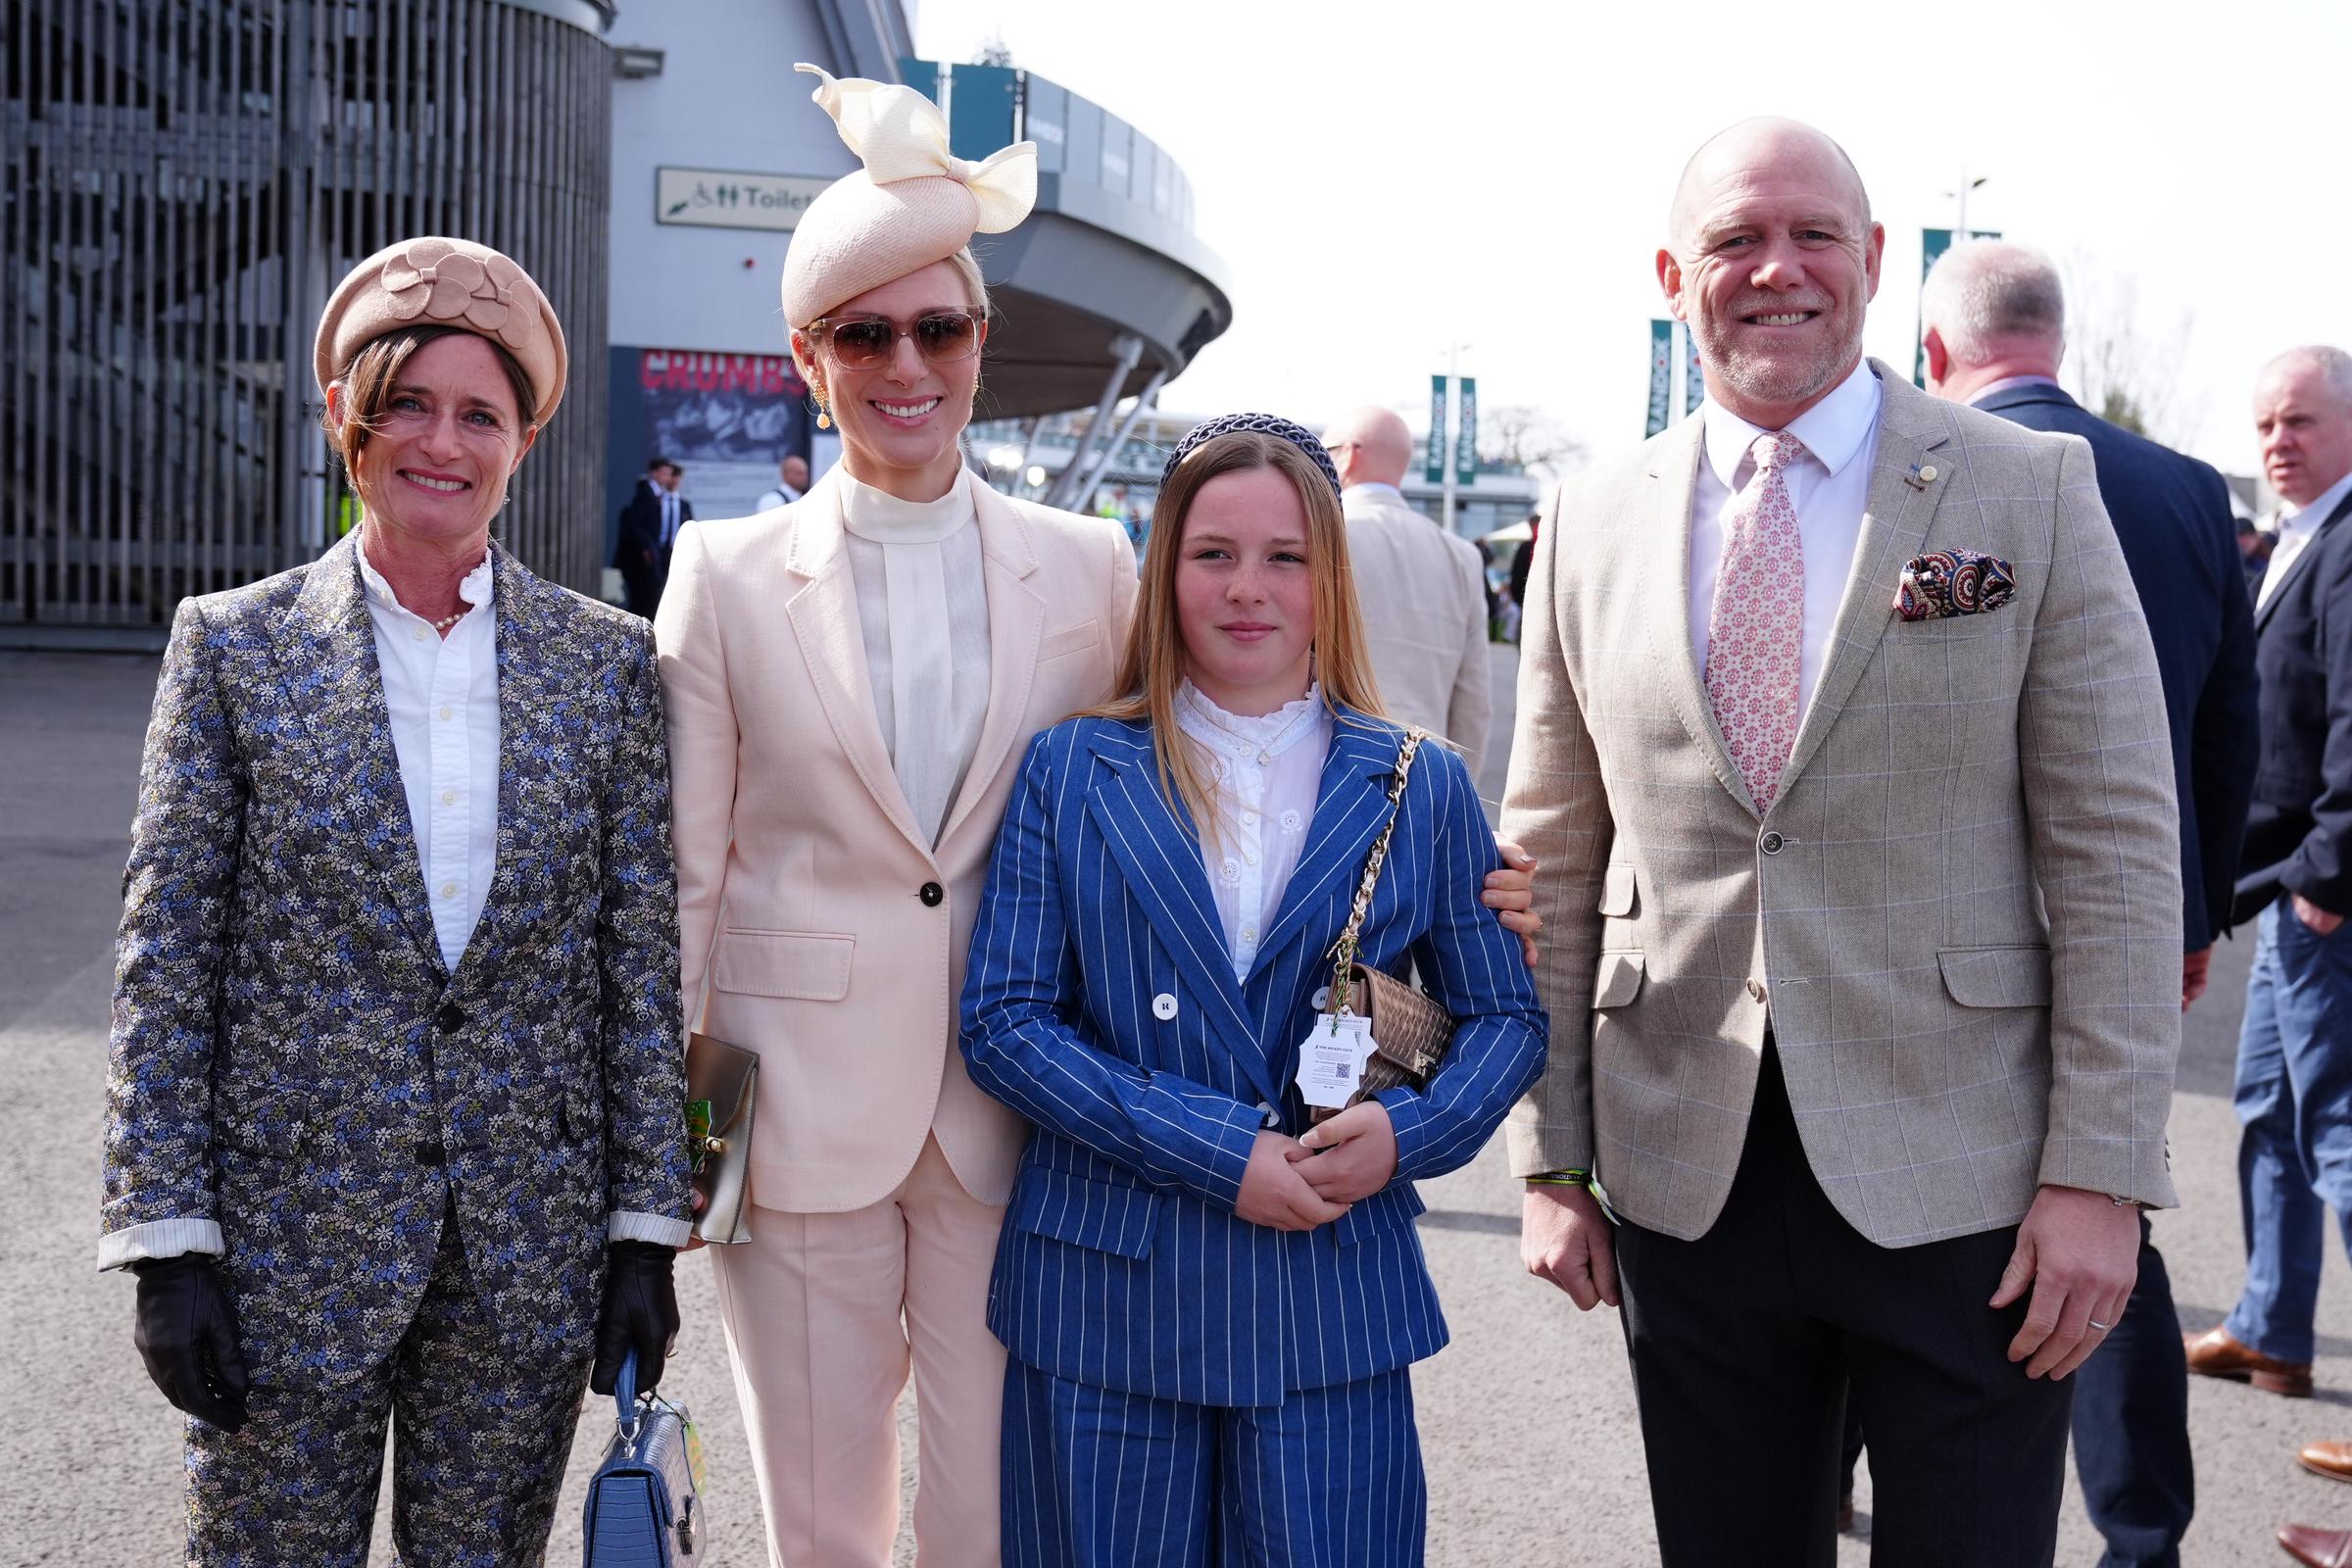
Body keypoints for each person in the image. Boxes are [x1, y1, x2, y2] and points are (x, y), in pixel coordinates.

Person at [1506, 118, 2181, 1567]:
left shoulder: (2026, 491)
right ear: (1673, 275)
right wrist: (1553, 1156)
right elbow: (1551, 862)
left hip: (1973, 1185)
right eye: (1737, 240)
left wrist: (2101, 1173)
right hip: (1688, 1177)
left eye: (1814, 235)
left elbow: (2118, 849)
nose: (1778, 271)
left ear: (1875, 263)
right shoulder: (1588, 520)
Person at [99, 235, 690, 1566]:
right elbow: (166, 957)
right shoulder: (232, 648)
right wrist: (167, 1242)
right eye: (409, 404)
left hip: (522, 1266)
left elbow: (637, 967)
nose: (442, 441)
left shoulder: (606, 669)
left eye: (479, 414)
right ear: (344, 419)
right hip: (279, 1258)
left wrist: (642, 1233)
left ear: (521, 441)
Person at [959, 414, 1548, 1567]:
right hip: (1107, 1292)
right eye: (1212, 553)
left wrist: (1409, 1132)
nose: (1248, 589)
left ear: (1330, 576)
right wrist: (1219, 1150)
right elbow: (1005, 1021)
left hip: (1326, 1297)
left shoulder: (1418, 780)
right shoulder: (1074, 766)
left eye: (1285, 557)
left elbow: (1506, 1018)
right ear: (1164, 569)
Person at [1912, 238, 2256, 1568]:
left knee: (1885, 1190)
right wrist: (2192, 923)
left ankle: (1838, 1467)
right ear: (2057, 335)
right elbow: (2229, 734)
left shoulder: (1925, 481)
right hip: (2136, 920)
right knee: (2111, 1207)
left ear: (1937, 352)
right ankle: (2141, 1532)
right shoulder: (2181, 490)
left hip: (1947, 927)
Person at [2183, 345, 2352, 1568]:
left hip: (2325, 896)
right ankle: (2271, 1327)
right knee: (2264, 1109)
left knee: (2339, 1135)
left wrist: (2329, 880)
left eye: (2300, 419)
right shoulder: (2295, 535)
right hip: (2286, 889)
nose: (2278, 439)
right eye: (2265, 422)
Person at [1322, 406, 1494, 772]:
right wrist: (1460, 790)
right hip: (1427, 772)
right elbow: (1474, 698)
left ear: (1349, 454)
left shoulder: (1320, 537)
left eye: (1326, 450)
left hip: (1328, 772)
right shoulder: (1461, 556)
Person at [615, 454, 690, 615]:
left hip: (660, 552)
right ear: (654, 473)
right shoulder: (647, 493)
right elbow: (637, 524)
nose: (668, 478)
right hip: (646, 555)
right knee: (645, 597)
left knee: (652, 594)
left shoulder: (657, 495)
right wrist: (647, 548)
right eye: (665, 473)